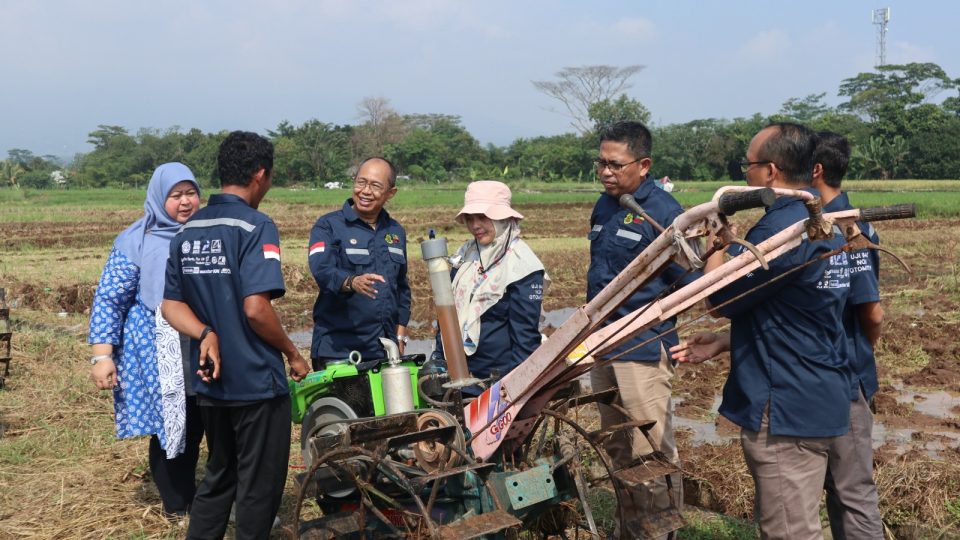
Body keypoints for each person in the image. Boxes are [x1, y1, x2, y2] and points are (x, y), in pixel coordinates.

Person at [672, 123, 852, 539]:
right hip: (820, 391)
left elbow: (718, 301)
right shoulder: (823, 223)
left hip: (785, 405)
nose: (745, 175)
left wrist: (717, 246)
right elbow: (800, 314)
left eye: (748, 165)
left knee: (788, 530)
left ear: (770, 171)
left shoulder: (780, 231)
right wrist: (725, 343)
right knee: (796, 521)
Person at [162, 131, 310, 540]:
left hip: (211, 382)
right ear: (260, 174)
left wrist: (205, 332)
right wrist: (293, 353)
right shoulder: (255, 226)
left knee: (219, 475)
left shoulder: (188, 230)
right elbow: (256, 309)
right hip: (256, 382)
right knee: (259, 488)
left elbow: (170, 306)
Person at [586, 121, 696, 535]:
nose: (606, 172)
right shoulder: (604, 206)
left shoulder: (665, 213)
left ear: (644, 165)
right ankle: (627, 528)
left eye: (615, 164)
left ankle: (660, 531)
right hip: (602, 345)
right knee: (617, 445)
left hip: (642, 348)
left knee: (650, 450)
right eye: (601, 163)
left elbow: (690, 285)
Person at [88, 162, 204, 517]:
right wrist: (102, 356)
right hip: (158, 347)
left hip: (202, 338)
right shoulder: (136, 240)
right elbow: (110, 300)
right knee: (170, 424)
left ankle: (201, 499)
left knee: (201, 421)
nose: (185, 202)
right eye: (175, 195)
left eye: (191, 193)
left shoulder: (208, 232)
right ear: (158, 198)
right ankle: (177, 505)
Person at [814, 131, 884, 539]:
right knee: (835, 487)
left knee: (852, 491)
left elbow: (871, 312)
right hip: (823, 373)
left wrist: (857, 356)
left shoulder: (848, 227)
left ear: (815, 170)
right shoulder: (812, 224)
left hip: (845, 374)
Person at [432, 180, 548, 395]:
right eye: (470, 218)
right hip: (459, 375)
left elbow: (525, 339)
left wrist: (511, 390)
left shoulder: (522, 265)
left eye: (483, 217)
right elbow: (447, 313)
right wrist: (439, 358)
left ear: (504, 218)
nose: (475, 225)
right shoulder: (465, 256)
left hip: (497, 380)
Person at [308, 157, 411, 369]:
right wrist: (351, 282)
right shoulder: (328, 225)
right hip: (339, 351)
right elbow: (322, 271)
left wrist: (400, 337)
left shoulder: (395, 231)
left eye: (375, 186)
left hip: (384, 351)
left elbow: (401, 288)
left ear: (391, 193)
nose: (365, 191)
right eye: (361, 182)